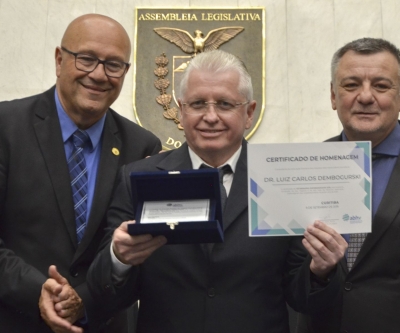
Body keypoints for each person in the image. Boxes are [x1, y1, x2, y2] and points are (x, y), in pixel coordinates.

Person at [80, 50, 346, 333]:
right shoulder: (138, 178)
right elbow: (104, 293)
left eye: (224, 104)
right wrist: (119, 259)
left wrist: (320, 271)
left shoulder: (279, 179)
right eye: (197, 104)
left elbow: (300, 295)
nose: (210, 116)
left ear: (249, 113)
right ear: (181, 111)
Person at [0, 13, 161, 333]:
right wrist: (39, 290)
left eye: (114, 64)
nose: (99, 74)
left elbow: (141, 257)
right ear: (60, 60)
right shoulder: (6, 127)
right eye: (86, 59)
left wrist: (83, 300)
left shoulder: (142, 147)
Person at [296, 37, 400, 333]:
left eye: (381, 85)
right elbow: (290, 274)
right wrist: (318, 274)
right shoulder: (303, 168)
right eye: (351, 85)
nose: (365, 97)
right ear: (332, 95)